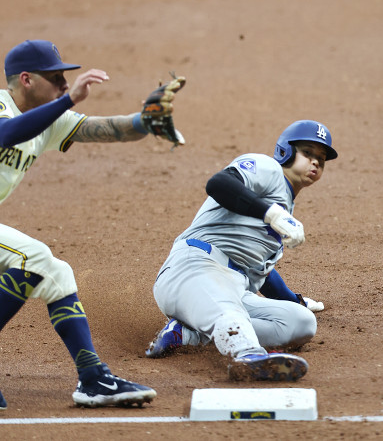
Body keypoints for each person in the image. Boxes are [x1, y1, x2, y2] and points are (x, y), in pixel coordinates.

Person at [0, 39, 185, 409]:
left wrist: (145, 121)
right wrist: (67, 101)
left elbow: (109, 128)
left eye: (65, 80)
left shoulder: (50, 118)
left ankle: (93, 377)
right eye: (56, 78)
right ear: (25, 79)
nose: (64, 86)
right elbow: (6, 134)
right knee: (34, 256)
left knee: (57, 275)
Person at [145, 120, 337, 382]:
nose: (315, 162)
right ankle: (247, 355)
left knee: (300, 323)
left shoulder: (284, 211)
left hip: (232, 287)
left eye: (322, 159)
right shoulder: (268, 169)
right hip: (194, 268)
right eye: (308, 153)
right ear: (286, 152)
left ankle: (186, 334)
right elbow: (219, 184)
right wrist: (269, 213)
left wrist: (295, 301)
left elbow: (264, 275)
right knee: (228, 310)